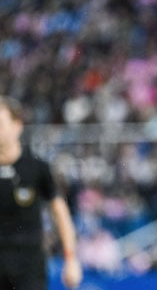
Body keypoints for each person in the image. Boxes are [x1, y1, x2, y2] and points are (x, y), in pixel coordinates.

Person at [0, 96, 83, 289]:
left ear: (17, 126)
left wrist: (71, 259)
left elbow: (60, 212)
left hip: (29, 266)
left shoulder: (37, 168)